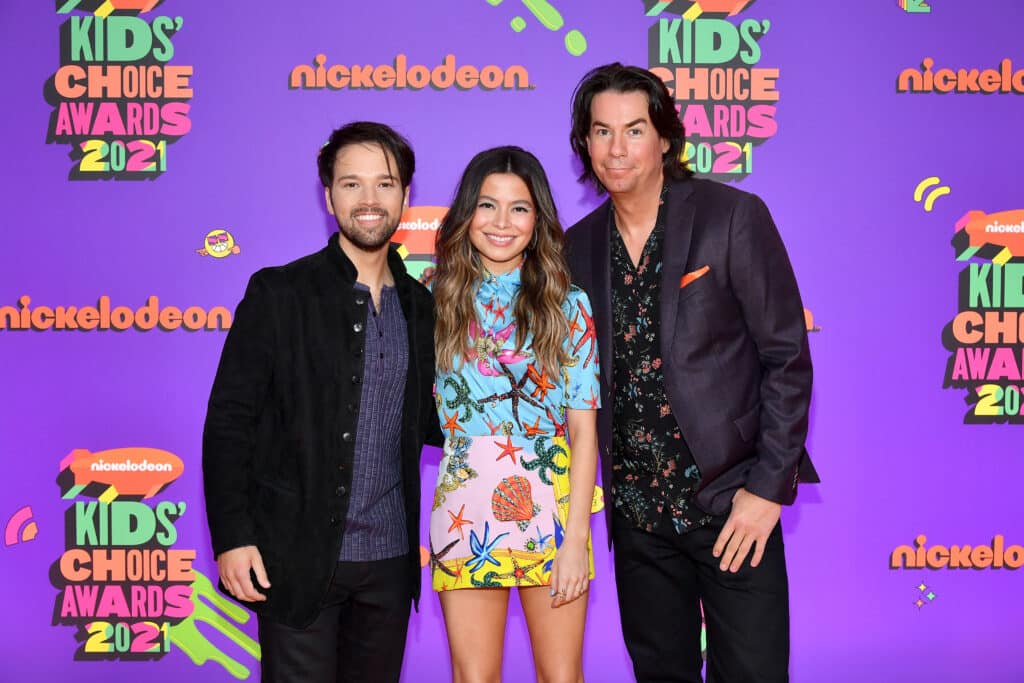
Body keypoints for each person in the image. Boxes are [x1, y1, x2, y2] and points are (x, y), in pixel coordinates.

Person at [564, 63, 817, 682]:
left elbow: (786, 358)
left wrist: (766, 491)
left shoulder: (732, 215)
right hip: (638, 517)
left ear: (665, 139)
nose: (617, 149)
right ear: (585, 144)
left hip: (733, 503)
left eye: (633, 130)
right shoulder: (576, 246)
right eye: (601, 132)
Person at [202, 121, 441, 683]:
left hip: (390, 562)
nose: (368, 200)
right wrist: (233, 538)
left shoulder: (422, 305)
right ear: (329, 194)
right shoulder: (279, 293)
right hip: (296, 556)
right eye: (351, 184)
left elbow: (436, 421)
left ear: (405, 197)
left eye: (384, 184)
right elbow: (229, 423)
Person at [428, 146, 601, 682]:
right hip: (464, 511)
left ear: (538, 219)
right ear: (466, 214)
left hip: (552, 515)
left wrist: (575, 541)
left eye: (519, 208)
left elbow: (583, 431)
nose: (502, 223)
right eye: (487, 205)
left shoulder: (568, 304)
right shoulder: (432, 302)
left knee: (560, 677)